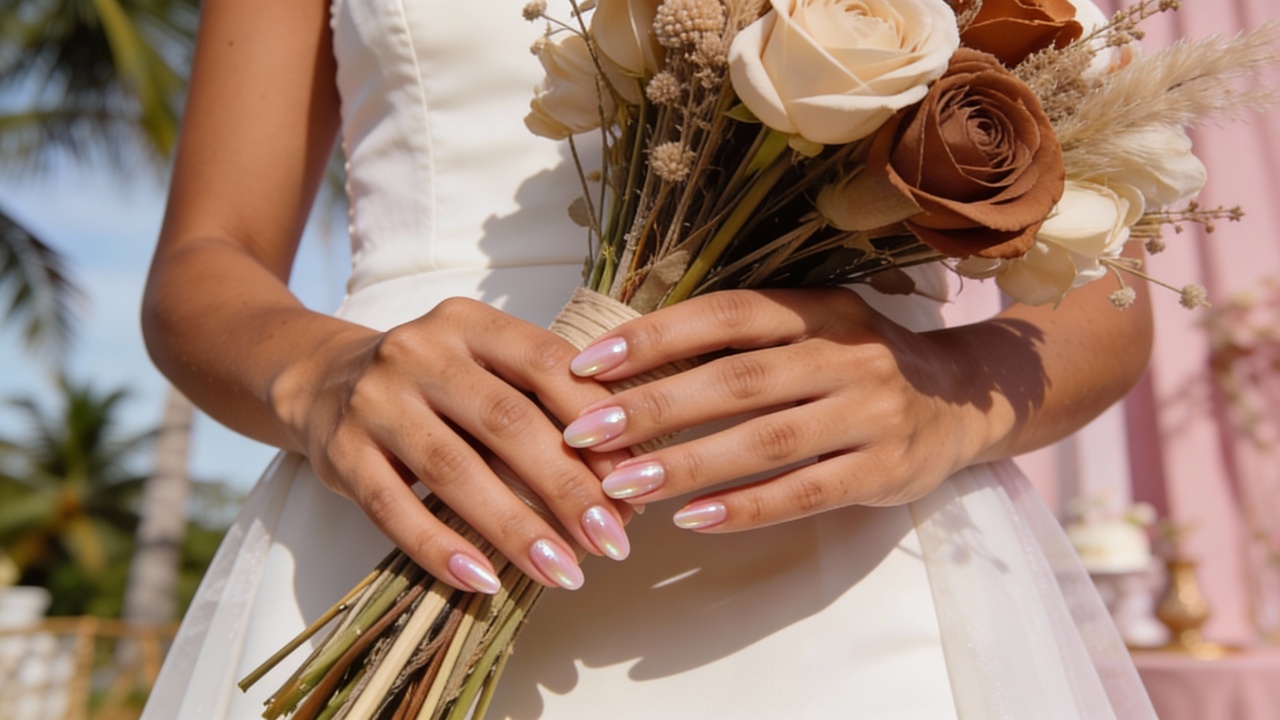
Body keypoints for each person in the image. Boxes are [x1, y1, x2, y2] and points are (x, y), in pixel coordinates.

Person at [140, 0, 1159, 717]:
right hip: (402, 489)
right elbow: (204, 260)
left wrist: (941, 394)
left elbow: (1106, 293)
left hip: (845, 543)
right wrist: (325, 376)